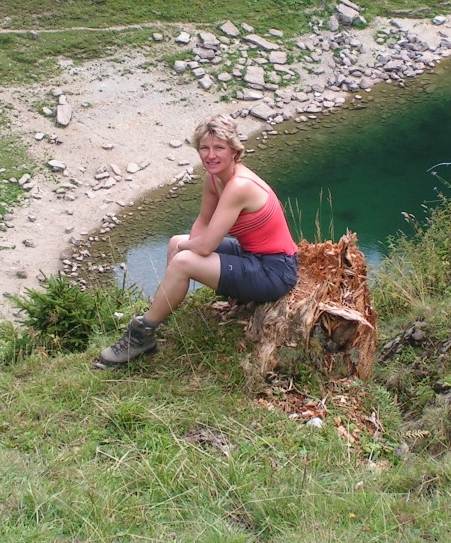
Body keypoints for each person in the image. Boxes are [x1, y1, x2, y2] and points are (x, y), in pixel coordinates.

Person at [95, 114, 299, 367]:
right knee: (175, 242)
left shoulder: (239, 186)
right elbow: (203, 221)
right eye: (204, 148)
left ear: (234, 151)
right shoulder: (214, 178)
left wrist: (187, 251)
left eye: (219, 148)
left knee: (183, 260)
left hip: (276, 270)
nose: (210, 155)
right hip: (252, 254)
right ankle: (162, 309)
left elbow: (205, 246)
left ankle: (142, 335)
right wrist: (186, 246)